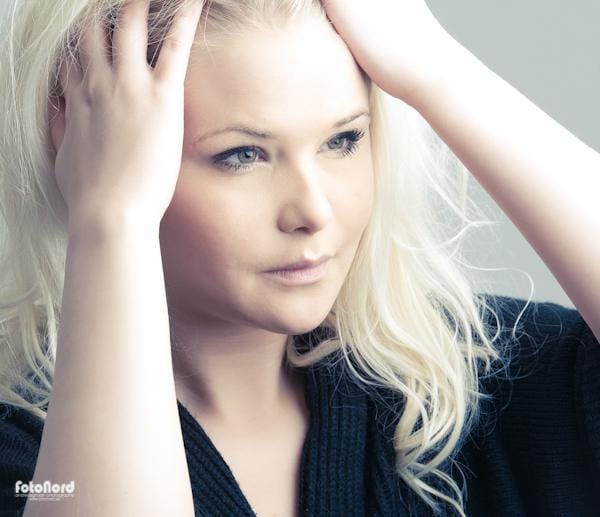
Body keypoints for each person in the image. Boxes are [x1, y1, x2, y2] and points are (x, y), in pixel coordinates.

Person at [0, 0, 598, 515]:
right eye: (242, 155)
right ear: (91, 152)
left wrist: (440, 73)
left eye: (343, 140)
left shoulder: (476, 385)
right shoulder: (27, 452)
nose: (313, 210)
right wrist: (110, 219)